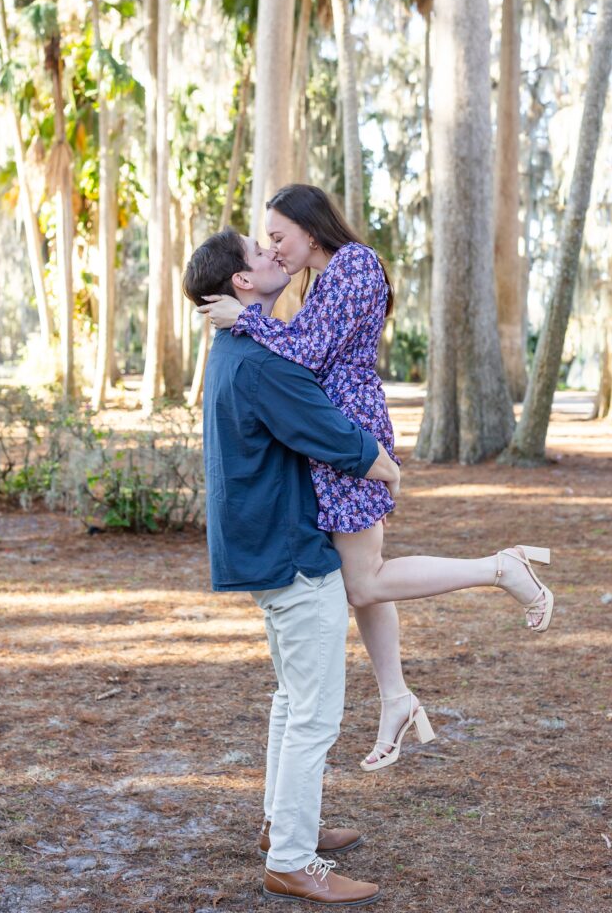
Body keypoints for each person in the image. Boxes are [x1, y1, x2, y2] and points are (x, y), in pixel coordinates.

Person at [198, 184, 554, 772]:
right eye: (267, 243)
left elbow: (307, 353)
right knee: (363, 579)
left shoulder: (354, 264)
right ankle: (395, 697)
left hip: (350, 437)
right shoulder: (326, 277)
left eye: (279, 237)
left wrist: (246, 320)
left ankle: (500, 568)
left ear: (311, 229)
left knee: (365, 582)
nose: (274, 249)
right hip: (329, 437)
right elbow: (305, 353)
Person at [183, 227, 397, 906]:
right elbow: (325, 431)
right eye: (259, 253)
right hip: (291, 551)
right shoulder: (258, 358)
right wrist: (381, 462)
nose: (273, 255)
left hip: (265, 549)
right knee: (314, 715)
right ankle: (292, 862)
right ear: (241, 284)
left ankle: (281, 825)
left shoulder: (236, 348)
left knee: (290, 700)